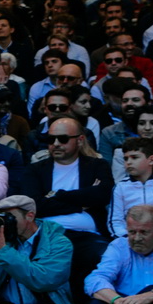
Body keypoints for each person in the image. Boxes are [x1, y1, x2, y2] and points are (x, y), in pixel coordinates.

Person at [14, 115, 112, 290]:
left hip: (87, 235)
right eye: (51, 139)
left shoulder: (97, 165)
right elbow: (35, 206)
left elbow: (102, 195)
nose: (56, 143)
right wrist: (80, 203)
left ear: (80, 140)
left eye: (63, 139)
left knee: (101, 257)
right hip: (47, 234)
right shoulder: (35, 169)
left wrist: (57, 195)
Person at [107, 137, 153, 237]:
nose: (128, 162)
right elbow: (115, 221)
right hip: (130, 241)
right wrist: (127, 238)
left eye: (134, 157)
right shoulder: (120, 188)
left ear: (151, 160)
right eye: (126, 158)